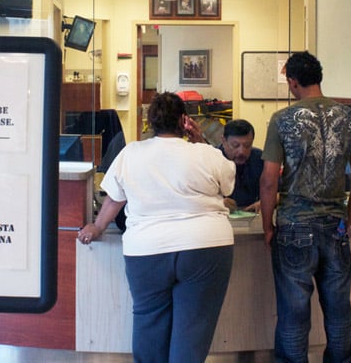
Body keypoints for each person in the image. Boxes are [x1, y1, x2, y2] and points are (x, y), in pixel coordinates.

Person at [77, 92, 235, 362]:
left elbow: (115, 198)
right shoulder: (206, 154)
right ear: (184, 120)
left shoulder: (131, 153)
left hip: (147, 250)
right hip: (205, 247)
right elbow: (228, 186)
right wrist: (200, 141)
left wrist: (97, 227)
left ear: (150, 122)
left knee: (149, 323)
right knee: (193, 329)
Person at [259, 51, 351, 363]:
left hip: (294, 225)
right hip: (334, 225)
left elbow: (269, 180)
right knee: (338, 308)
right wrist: (347, 219)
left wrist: (268, 226)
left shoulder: (282, 120)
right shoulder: (350, 118)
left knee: (294, 311)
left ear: (293, 82)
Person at [220, 119, 264, 213]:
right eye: (235, 145)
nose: (242, 151)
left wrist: (265, 202)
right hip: (220, 217)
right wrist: (217, 202)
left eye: (247, 145)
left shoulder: (260, 159)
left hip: (253, 217)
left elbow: (282, 194)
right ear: (224, 141)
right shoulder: (211, 159)